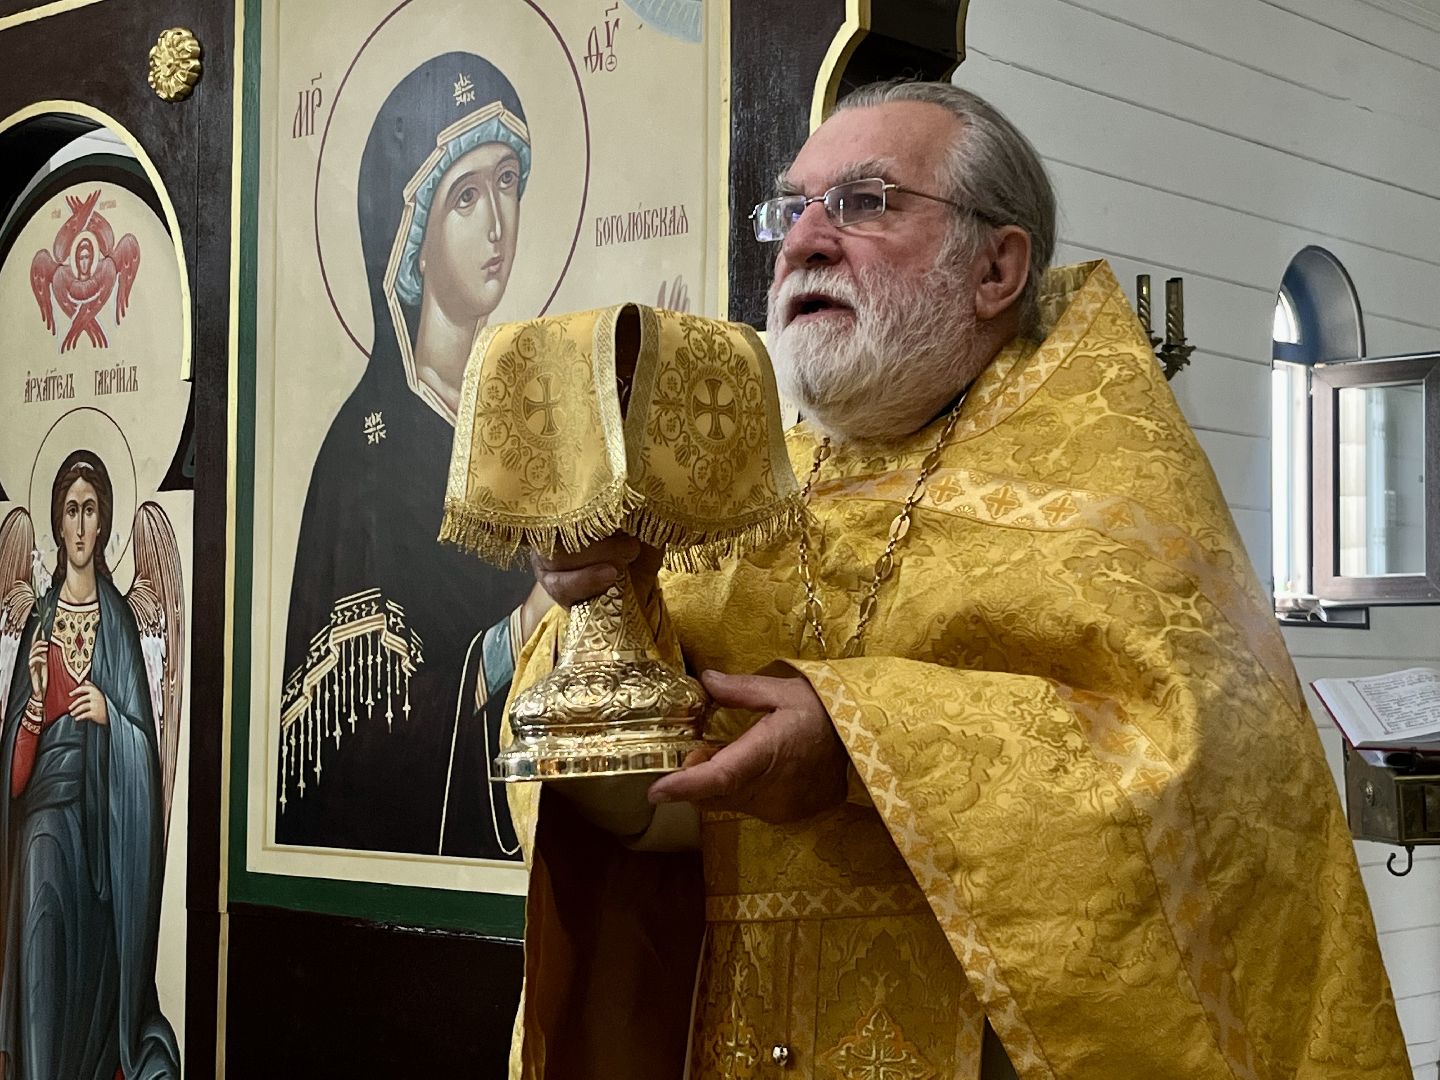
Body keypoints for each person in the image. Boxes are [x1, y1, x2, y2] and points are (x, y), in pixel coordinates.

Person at [504, 81, 1409, 1078]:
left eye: (865, 202)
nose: (803, 240)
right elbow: (641, 823)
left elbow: (1209, 785)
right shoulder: (729, 490)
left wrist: (858, 748)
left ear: (995, 266)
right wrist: (603, 621)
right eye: (790, 209)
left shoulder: (1110, 486)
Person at [279, 52, 545, 857]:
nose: (498, 223)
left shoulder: (532, 425)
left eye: (507, 181)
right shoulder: (363, 458)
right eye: (466, 197)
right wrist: (519, 633)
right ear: (412, 244)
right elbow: (352, 750)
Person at [0, 450, 179, 1078]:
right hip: (45, 834)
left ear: (104, 523)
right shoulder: (38, 626)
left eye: (91, 510)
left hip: (103, 845)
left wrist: (110, 715)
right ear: (57, 522)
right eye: (71, 510)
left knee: (92, 996)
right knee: (42, 862)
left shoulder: (121, 624)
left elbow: (144, 754)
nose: (80, 526)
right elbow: (14, 782)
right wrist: (29, 716)